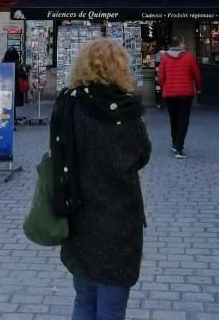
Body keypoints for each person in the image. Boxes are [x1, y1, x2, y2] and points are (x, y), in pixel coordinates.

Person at [51, 38, 151, 320]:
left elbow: (57, 151)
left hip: (79, 214)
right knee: (112, 307)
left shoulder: (70, 104)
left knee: (84, 300)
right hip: (121, 220)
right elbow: (143, 155)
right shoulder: (129, 110)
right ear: (121, 69)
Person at [158, 35, 202, 159]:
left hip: (169, 94)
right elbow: (196, 74)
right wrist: (198, 87)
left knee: (173, 119)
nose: (185, 45)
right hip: (185, 94)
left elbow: (161, 76)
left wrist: (164, 88)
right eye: (183, 43)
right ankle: (179, 148)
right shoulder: (188, 56)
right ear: (180, 44)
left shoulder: (165, 57)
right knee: (183, 119)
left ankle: (175, 143)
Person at [2, 47, 29, 122]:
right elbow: (23, 75)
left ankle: (6, 118)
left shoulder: (3, 63)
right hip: (15, 87)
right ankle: (12, 119)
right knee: (13, 104)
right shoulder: (17, 64)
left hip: (5, 86)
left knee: (6, 104)